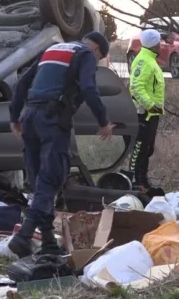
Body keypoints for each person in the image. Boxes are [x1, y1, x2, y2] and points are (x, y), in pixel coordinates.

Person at [7, 31, 116, 258]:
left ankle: (48, 243)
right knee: (52, 177)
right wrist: (104, 122)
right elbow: (88, 88)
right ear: (97, 50)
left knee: (40, 183)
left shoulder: (53, 49)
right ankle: (24, 235)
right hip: (52, 120)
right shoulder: (85, 54)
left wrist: (14, 118)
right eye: (99, 60)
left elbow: (22, 84)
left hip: (30, 117)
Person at [126, 29, 165, 190]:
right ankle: (135, 181)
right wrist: (150, 105)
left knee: (147, 149)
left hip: (152, 115)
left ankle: (143, 180)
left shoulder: (150, 60)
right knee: (139, 149)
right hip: (143, 114)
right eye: (160, 42)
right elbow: (135, 87)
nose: (161, 45)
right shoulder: (144, 60)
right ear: (155, 44)